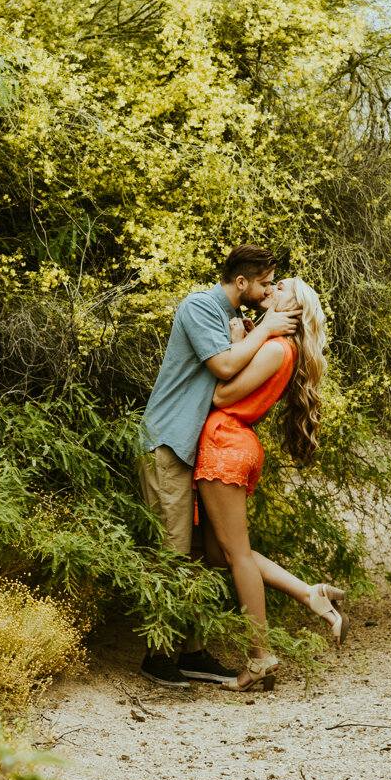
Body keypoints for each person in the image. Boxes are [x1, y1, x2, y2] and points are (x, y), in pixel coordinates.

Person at [137, 245, 298, 688]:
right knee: (172, 551)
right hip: (169, 441)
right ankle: (158, 656)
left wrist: (251, 332)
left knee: (195, 555)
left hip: (194, 447)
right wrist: (264, 329)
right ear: (241, 282)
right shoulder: (199, 305)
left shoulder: (232, 320)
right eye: (264, 283)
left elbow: (232, 368)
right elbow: (224, 365)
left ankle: (190, 653)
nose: (268, 292)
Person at [197, 278, 347, 691]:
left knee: (237, 556)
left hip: (225, 441)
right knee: (218, 553)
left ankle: (261, 656)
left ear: (292, 306)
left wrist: (237, 344)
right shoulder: (279, 348)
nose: (270, 291)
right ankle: (309, 594)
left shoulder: (278, 348)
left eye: (279, 287)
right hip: (233, 443)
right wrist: (243, 336)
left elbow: (223, 398)